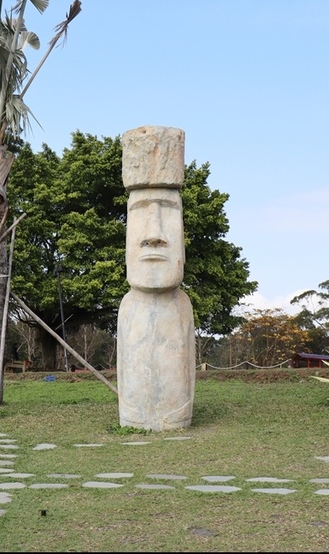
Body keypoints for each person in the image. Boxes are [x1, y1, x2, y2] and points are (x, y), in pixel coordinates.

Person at [117, 125, 195, 431]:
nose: (154, 234)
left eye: (169, 211)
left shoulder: (181, 305)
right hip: (132, 414)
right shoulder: (128, 305)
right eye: (138, 214)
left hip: (175, 415)